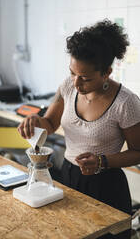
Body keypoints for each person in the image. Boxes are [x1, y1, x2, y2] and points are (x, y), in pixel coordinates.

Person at [18, 19, 140, 239]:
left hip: (107, 185)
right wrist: (35, 120)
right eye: (72, 73)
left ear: (106, 72)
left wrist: (102, 161)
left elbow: (138, 152)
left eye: (84, 78)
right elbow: (50, 124)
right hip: (69, 175)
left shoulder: (126, 103)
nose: (75, 83)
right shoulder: (67, 86)